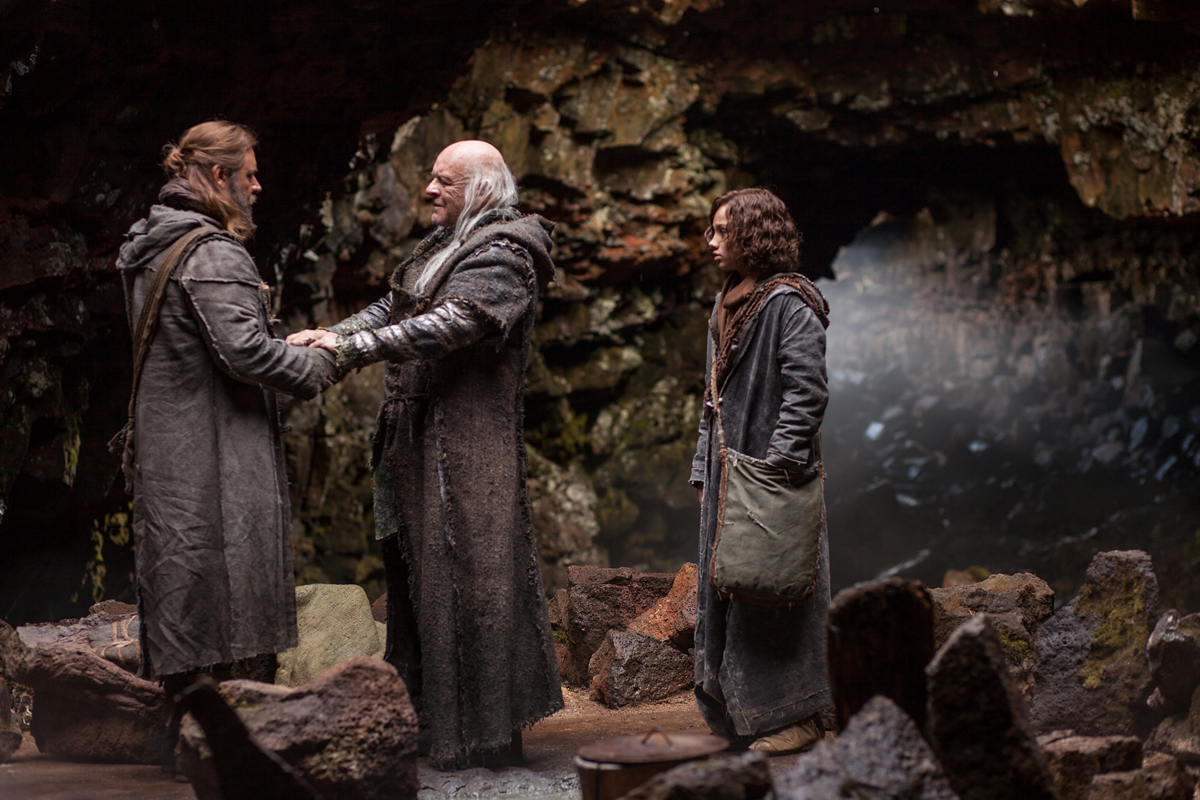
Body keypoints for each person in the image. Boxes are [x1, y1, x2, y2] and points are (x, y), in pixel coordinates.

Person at [288, 140, 562, 770]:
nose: (430, 190)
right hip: (418, 443)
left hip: (469, 450)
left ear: (481, 191)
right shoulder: (445, 244)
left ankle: (484, 737)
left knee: (473, 583)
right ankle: (426, 722)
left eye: (445, 182)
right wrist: (336, 333)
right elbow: (397, 305)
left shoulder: (505, 252)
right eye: (431, 178)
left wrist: (350, 351)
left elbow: (452, 324)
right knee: (417, 584)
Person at [115, 121, 338, 761]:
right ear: (219, 176)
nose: (258, 186)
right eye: (249, 174)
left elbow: (204, 343)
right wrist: (323, 362)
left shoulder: (147, 242)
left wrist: (271, 342)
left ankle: (187, 742)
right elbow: (245, 354)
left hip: (169, 447)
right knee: (234, 589)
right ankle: (232, 756)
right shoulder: (211, 251)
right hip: (215, 453)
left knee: (182, 587)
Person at [689, 187, 832, 754]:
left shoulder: (790, 303)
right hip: (731, 474)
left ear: (754, 235)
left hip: (769, 477)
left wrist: (776, 469)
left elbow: (807, 392)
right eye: (712, 229)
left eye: (724, 231)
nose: (712, 241)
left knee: (775, 590)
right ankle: (736, 709)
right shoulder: (727, 301)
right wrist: (704, 466)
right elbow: (713, 397)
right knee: (729, 585)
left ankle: (796, 717)